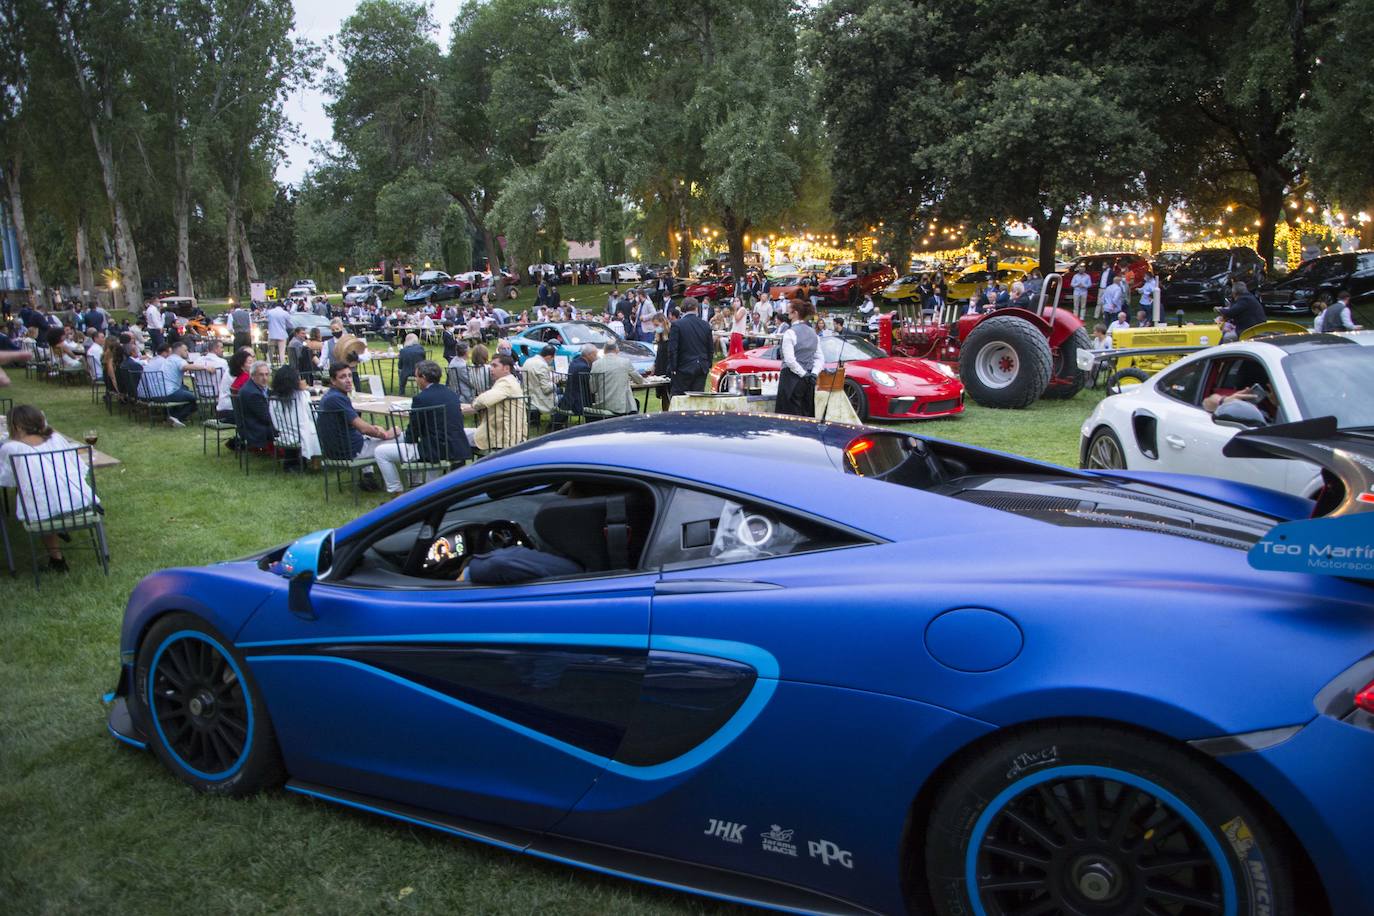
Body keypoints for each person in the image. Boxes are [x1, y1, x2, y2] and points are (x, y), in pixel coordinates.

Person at [0, 405, 98, 571]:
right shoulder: (56, 438)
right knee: (48, 497)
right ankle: (62, 536)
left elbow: (7, 480)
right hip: (82, 504)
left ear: (16, 426)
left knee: (41, 502)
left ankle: (57, 560)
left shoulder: (11, 448)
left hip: (43, 515)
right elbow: (80, 468)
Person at [373, 360, 471, 494]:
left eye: (416, 377)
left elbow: (414, 430)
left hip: (434, 449)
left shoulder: (421, 398)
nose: (416, 380)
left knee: (381, 452)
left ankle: (396, 491)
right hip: (455, 446)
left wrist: (408, 441)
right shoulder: (451, 394)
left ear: (423, 377)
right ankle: (419, 483)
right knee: (408, 442)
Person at [314, 362, 398, 489]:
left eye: (349, 376)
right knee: (400, 438)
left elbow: (360, 426)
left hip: (336, 448)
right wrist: (385, 434)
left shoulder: (330, 396)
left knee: (372, 434)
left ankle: (368, 477)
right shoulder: (337, 399)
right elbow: (363, 428)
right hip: (350, 450)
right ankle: (410, 484)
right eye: (342, 377)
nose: (348, 380)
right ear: (333, 381)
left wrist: (375, 429)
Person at [775, 300, 824, 417]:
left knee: (789, 416)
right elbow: (819, 358)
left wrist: (803, 374)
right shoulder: (814, 333)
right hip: (808, 380)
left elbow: (790, 360)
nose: (787, 314)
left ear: (795, 313)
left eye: (789, 312)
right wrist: (813, 373)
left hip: (791, 380)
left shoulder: (790, 333)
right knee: (806, 412)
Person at [470, 353, 527, 450]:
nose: (491, 369)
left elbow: (484, 400)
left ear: (506, 369)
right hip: (508, 433)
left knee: (458, 435)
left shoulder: (506, 382)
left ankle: (459, 464)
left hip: (503, 437)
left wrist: (475, 403)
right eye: (491, 365)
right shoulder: (511, 380)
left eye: (495, 366)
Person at [267, 364, 317, 466]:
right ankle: (316, 461)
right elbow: (313, 416)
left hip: (283, 436)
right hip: (302, 435)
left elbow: (275, 424)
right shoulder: (303, 395)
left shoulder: (273, 399)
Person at [138, 341, 197, 424]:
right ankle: (176, 417)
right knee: (193, 398)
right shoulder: (173, 360)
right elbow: (184, 366)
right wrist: (205, 367)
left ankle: (171, 416)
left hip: (152, 393)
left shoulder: (157, 361)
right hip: (161, 394)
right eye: (185, 350)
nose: (188, 352)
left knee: (183, 389)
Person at [666, 299, 713, 395]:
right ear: (696, 308)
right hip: (701, 367)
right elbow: (710, 348)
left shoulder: (677, 325)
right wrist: (708, 364)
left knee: (679, 398)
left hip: (683, 367)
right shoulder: (705, 325)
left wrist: (673, 368)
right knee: (697, 399)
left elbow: (672, 349)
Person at [589, 339, 645, 415]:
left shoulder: (595, 364)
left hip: (601, 405)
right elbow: (640, 380)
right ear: (617, 350)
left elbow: (593, 389)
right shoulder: (625, 362)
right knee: (632, 401)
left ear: (604, 351)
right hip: (621, 407)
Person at [236, 360, 277, 451]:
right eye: (261, 375)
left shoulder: (256, 387)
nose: (265, 378)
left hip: (253, 425)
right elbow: (267, 418)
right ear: (253, 376)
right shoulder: (253, 393)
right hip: (254, 429)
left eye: (267, 374)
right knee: (290, 428)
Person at [559, 343, 597, 415]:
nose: (596, 357)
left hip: (568, 400)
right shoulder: (584, 368)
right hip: (579, 403)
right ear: (589, 355)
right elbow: (590, 388)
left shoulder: (574, 362)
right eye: (595, 355)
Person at [522, 343, 558, 420]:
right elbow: (546, 389)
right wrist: (555, 383)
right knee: (563, 399)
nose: (553, 360)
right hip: (538, 399)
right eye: (553, 358)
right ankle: (555, 424)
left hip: (527, 395)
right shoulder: (542, 365)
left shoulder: (528, 361)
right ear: (549, 357)